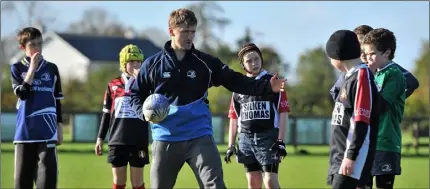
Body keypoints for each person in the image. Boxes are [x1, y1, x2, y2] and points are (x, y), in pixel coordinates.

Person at [129, 8, 286, 189]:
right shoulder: (152, 64)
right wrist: (143, 113)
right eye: (185, 32)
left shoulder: (204, 63)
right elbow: (135, 94)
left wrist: (266, 86)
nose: (190, 36)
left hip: (199, 137)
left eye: (193, 31)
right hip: (165, 138)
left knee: (215, 186)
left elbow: (235, 80)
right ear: (171, 31)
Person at [224, 43, 290, 189]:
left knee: (270, 182)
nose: (254, 63)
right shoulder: (239, 86)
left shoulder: (273, 82)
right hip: (245, 140)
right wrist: (230, 145)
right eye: (249, 61)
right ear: (243, 64)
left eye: (257, 58)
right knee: (253, 183)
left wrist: (280, 140)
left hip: (268, 138)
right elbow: (234, 117)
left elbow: (283, 112)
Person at [325, 29, 380, 189]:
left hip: (351, 158)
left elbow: (361, 120)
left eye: (330, 56)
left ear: (338, 54)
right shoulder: (349, 77)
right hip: (339, 156)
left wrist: (351, 156)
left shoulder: (362, 76)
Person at [10, 27, 64, 189]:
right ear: (22, 48)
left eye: (40, 44)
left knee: (47, 184)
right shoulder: (17, 68)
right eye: (32, 44)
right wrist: (32, 68)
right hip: (24, 135)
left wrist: (59, 127)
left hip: (47, 134)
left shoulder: (52, 69)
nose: (37, 48)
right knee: (22, 184)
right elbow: (22, 94)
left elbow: (57, 100)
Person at [95, 44, 149, 189]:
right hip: (117, 140)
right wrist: (100, 138)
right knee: (119, 183)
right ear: (124, 63)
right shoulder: (112, 84)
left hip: (138, 140)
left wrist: (143, 82)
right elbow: (106, 114)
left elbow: (153, 106)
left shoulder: (146, 84)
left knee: (137, 183)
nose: (136, 65)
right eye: (132, 62)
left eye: (139, 62)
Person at [362, 28, 407, 189]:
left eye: (372, 54)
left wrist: (369, 75)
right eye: (365, 54)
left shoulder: (394, 74)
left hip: (385, 143)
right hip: (366, 142)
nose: (367, 58)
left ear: (386, 53)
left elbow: (379, 106)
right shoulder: (370, 73)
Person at [330, 25, 419, 101]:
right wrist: (351, 104)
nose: (363, 51)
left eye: (366, 46)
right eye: (358, 46)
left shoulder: (385, 67)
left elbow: (411, 82)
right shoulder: (353, 69)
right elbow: (335, 91)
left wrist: (391, 100)